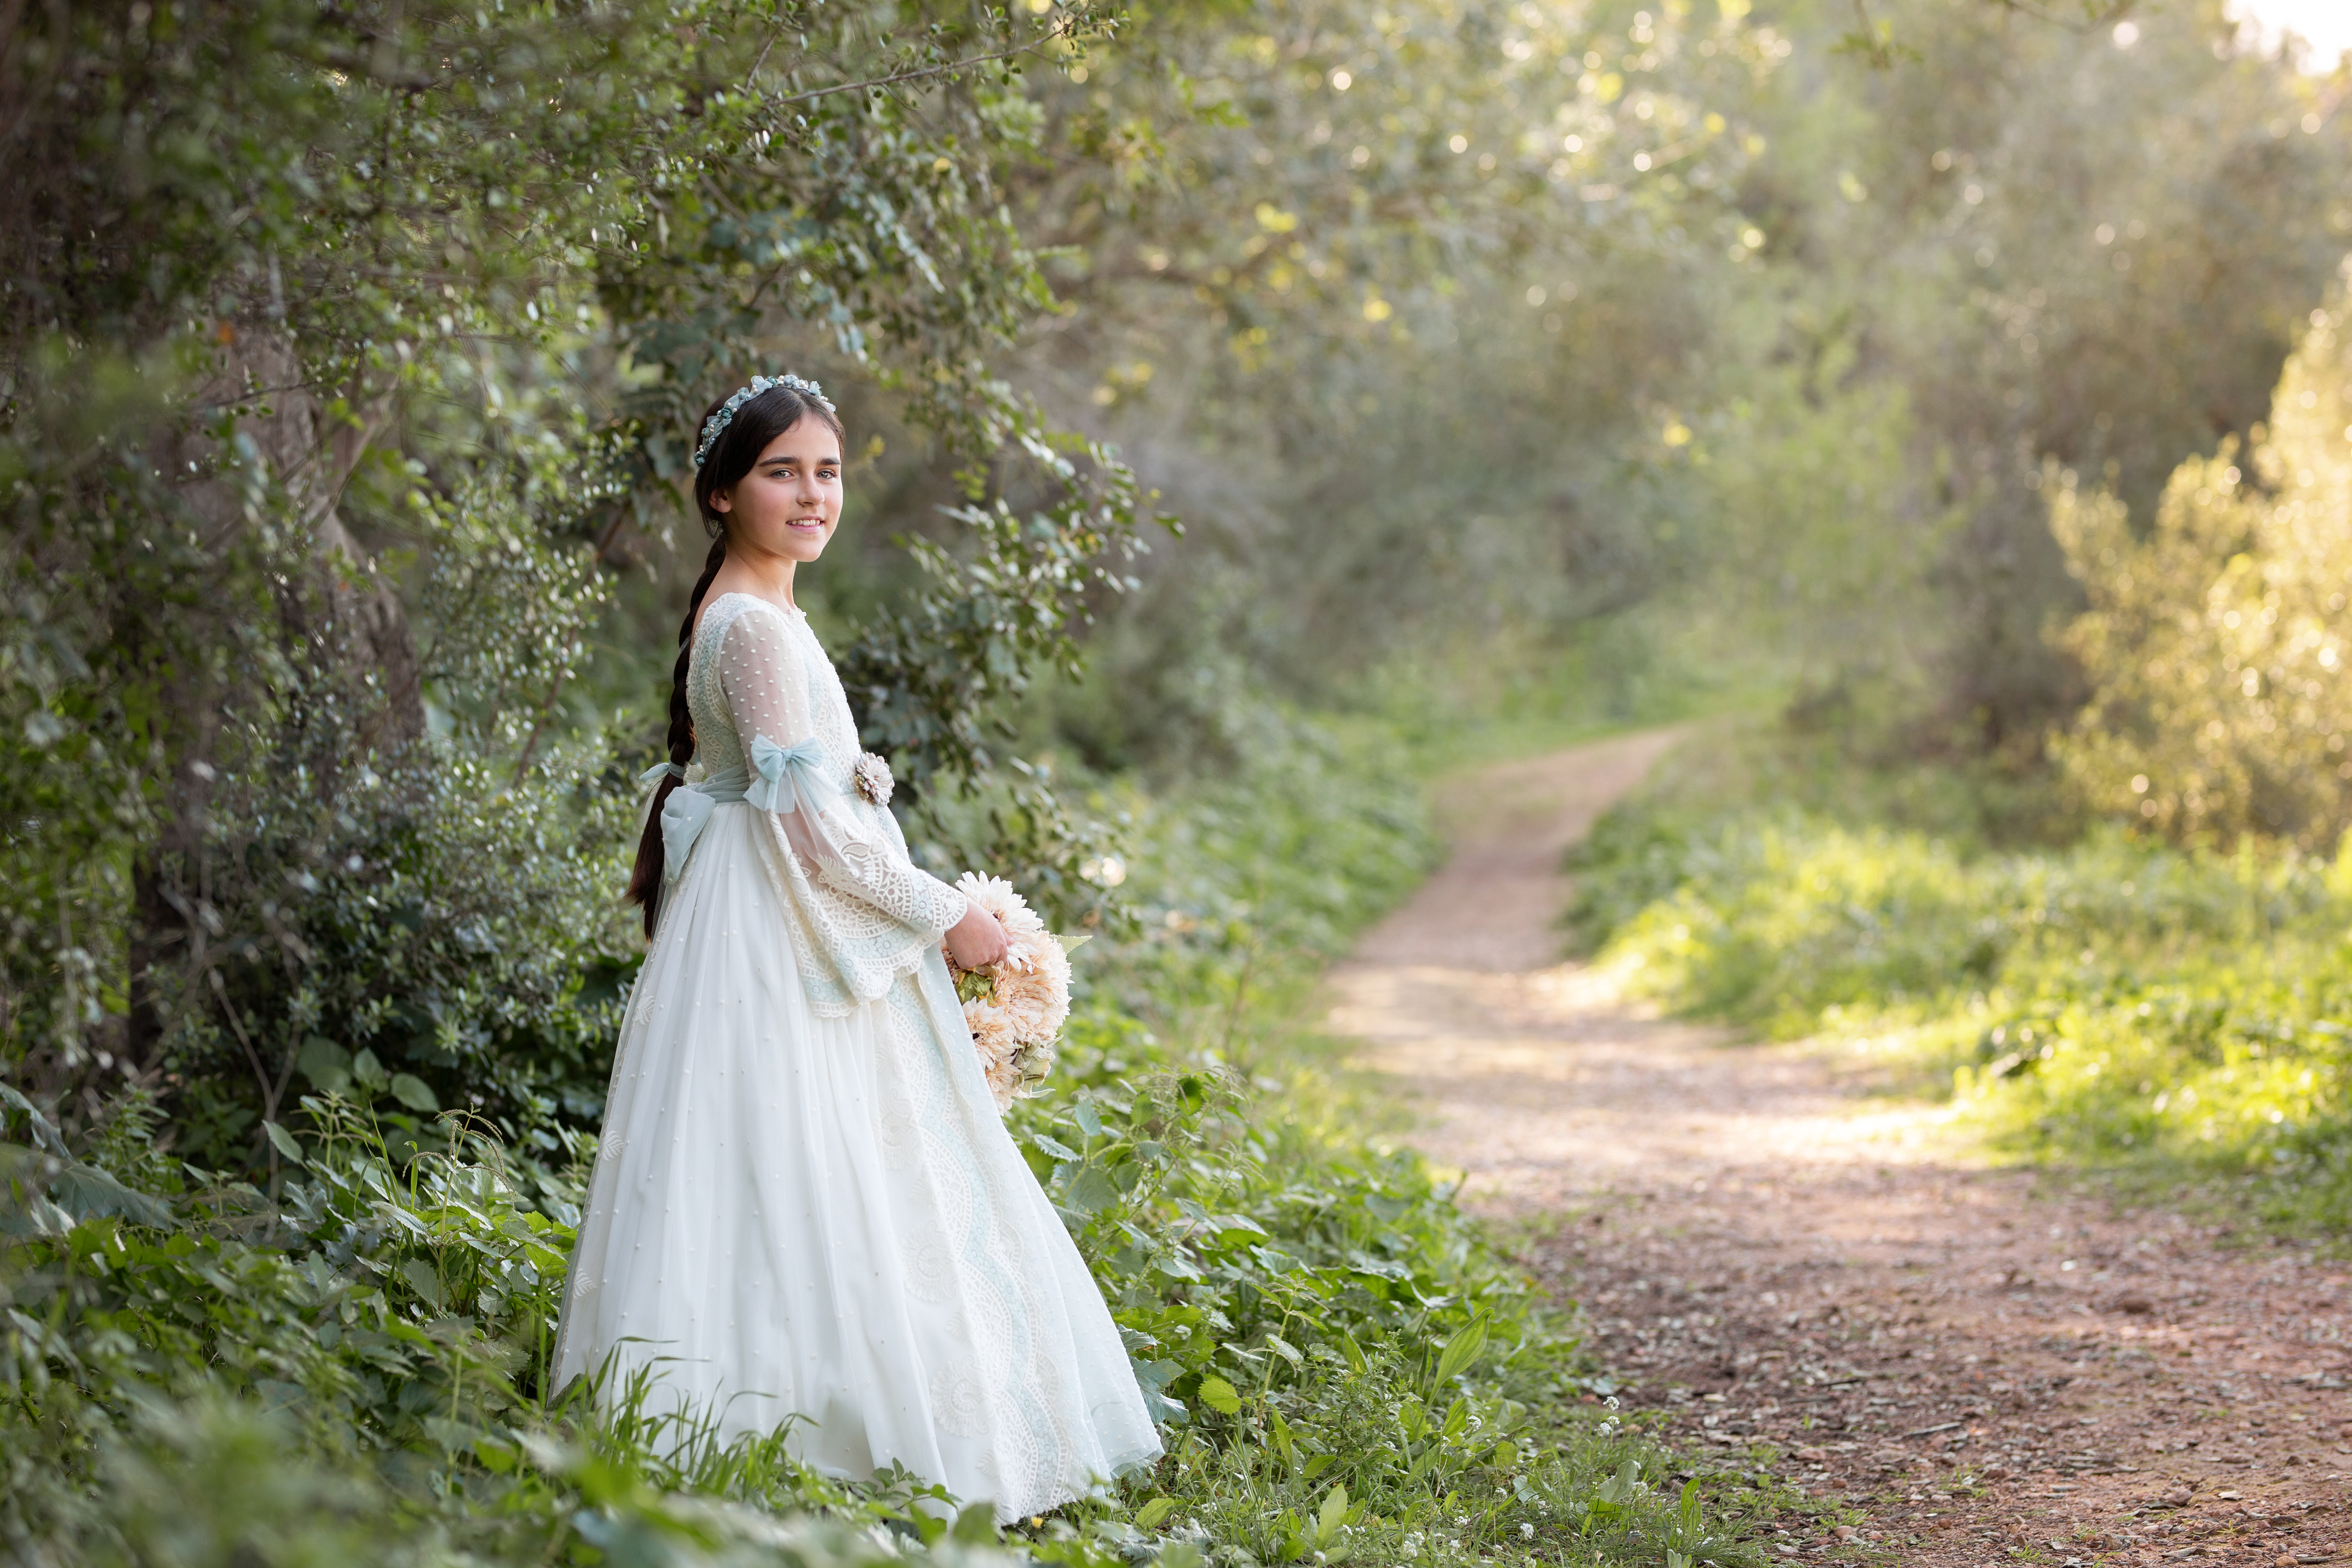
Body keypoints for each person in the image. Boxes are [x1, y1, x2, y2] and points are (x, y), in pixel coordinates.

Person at [551, 374, 1163, 1519]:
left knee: (797, 1164)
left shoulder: (760, 614)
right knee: (804, 1160)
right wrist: (946, 915)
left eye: (827, 471)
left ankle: (790, 1422)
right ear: (724, 492)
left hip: (763, 909)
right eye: (781, 471)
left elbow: (809, 807)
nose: (811, 493)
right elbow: (820, 840)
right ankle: (815, 1429)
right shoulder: (749, 628)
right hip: (773, 932)